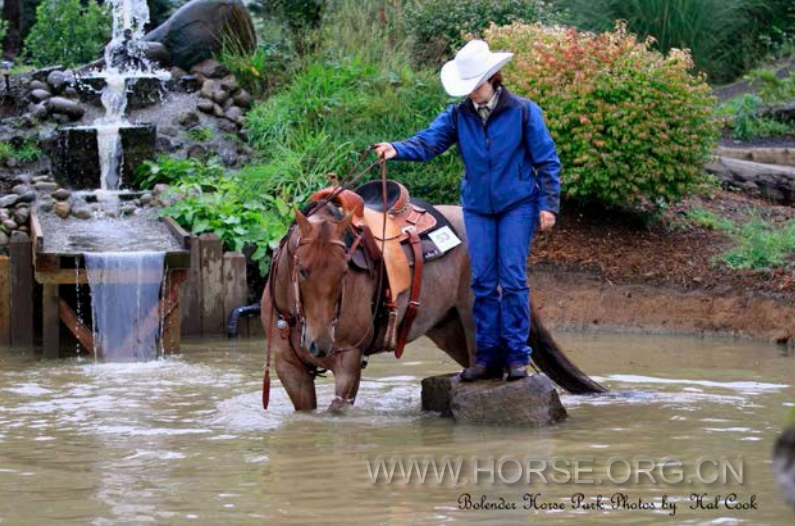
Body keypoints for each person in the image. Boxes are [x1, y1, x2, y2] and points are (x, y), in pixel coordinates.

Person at [373, 39, 561, 382]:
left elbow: (547, 160)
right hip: (477, 207)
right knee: (482, 281)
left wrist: (548, 204)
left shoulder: (523, 111)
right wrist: (395, 149)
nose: (471, 91)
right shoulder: (458, 116)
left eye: (475, 84)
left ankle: (518, 357)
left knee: (512, 278)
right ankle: (485, 357)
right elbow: (429, 142)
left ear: (492, 79)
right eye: (467, 86)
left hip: (518, 204)